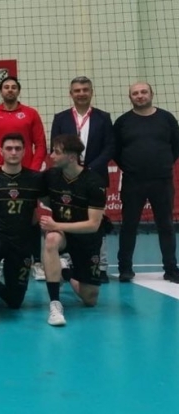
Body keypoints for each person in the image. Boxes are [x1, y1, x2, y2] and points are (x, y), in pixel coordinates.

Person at [0, 77, 47, 281]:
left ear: (18, 91)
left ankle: (36, 262)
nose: (10, 90)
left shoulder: (31, 114)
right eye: (6, 87)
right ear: (1, 90)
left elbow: (41, 144)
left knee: (31, 216)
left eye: (14, 87)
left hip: (25, 176)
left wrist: (33, 172)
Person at [0, 133, 45, 327]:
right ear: (0, 151)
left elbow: (51, 202)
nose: (13, 152)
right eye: (9, 148)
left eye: (18, 148)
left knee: (15, 302)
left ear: (25, 151)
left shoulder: (35, 179)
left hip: (21, 241)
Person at [51, 76, 115, 282]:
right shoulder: (60, 118)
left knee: (98, 221)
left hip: (94, 176)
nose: (81, 93)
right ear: (71, 94)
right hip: (68, 177)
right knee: (70, 218)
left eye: (85, 90)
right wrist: (73, 170)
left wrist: (89, 169)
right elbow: (55, 146)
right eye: (77, 90)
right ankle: (72, 263)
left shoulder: (103, 117)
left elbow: (109, 147)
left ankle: (101, 265)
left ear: (91, 92)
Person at [114, 82, 179, 283]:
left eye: (144, 92)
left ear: (152, 94)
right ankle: (125, 269)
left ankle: (171, 269)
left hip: (162, 181)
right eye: (135, 93)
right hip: (133, 181)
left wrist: (162, 164)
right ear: (130, 97)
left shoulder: (167, 118)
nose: (140, 96)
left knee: (166, 225)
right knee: (129, 225)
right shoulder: (122, 122)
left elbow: (176, 146)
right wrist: (132, 167)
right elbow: (116, 150)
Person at [40, 134, 106, 326]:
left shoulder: (94, 182)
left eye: (56, 152)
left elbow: (93, 225)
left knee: (90, 299)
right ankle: (55, 302)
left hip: (87, 237)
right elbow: (42, 197)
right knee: (51, 239)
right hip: (63, 235)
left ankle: (65, 273)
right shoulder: (50, 176)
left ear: (71, 157)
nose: (52, 156)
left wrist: (56, 225)